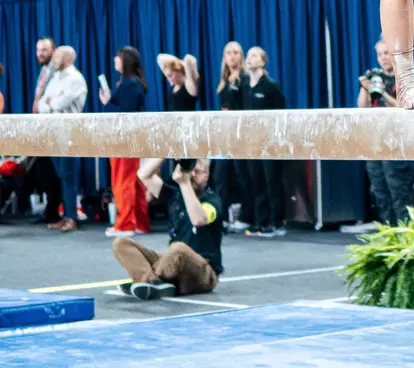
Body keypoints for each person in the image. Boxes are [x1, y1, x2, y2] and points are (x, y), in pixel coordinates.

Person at [117, 158, 222, 300]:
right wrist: (167, 151)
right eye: (189, 170)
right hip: (173, 266)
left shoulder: (213, 200)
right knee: (121, 243)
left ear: (206, 175)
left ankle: (149, 280)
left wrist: (184, 182)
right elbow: (143, 175)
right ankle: (151, 281)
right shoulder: (174, 195)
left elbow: (198, 220)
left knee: (179, 248)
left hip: (203, 272)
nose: (191, 175)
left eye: (197, 172)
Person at [358, 39, 414, 225]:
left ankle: (406, 233)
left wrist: (383, 94)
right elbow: (362, 109)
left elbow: (406, 105)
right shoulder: (376, 78)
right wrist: (366, 89)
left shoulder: (407, 80)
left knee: (399, 192)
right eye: (379, 55)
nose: (383, 58)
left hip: (399, 142)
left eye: (386, 53)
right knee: (380, 192)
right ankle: (388, 233)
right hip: (377, 143)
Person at [100, 47, 150, 237]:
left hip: (124, 139)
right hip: (129, 138)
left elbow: (125, 114)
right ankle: (140, 222)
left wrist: (107, 103)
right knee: (133, 181)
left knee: (123, 181)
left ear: (126, 61)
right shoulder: (131, 83)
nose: (115, 59)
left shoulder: (130, 83)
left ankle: (126, 224)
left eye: (118, 57)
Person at [37, 46, 87, 232]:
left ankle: (72, 217)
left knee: (69, 175)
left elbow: (58, 103)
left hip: (69, 132)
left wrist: (50, 103)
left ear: (66, 58)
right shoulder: (55, 77)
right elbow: (42, 103)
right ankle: (65, 215)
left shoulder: (75, 78)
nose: (53, 60)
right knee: (60, 176)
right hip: (54, 131)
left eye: (57, 57)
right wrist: (49, 104)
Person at [242, 46, 287, 237]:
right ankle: (260, 221)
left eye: (254, 55)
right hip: (252, 143)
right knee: (257, 181)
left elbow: (281, 114)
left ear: (263, 61)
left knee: (272, 180)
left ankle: (276, 222)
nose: (249, 59)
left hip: (270, 143)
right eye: (248, 56)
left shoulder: (271, 86)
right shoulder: (244, 86)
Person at [214, 41, 249, 231]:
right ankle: (221, 218)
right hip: (225, 135)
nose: (232, 56)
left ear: (241, 56)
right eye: (228, 52)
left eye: (236, 52)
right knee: (220, 177)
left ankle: (246, 216)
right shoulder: (224, 80)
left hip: (240, 135)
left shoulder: (244, 78)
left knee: (242, 176)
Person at [27, 37, 61, 224]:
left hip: (53, 128)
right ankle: (50, 209)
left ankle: (55, 211)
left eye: (44, 50)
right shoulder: (43, 71)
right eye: (38, 50)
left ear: (53, 51)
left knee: (52, 171)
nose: (40, 54)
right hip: (41, 126)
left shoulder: (57, 72)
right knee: (42, 171)